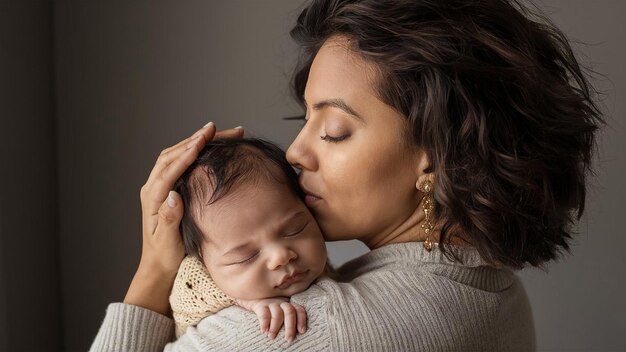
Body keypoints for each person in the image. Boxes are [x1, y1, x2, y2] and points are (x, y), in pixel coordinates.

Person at [90, 0, 603, 350]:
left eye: (333, 130)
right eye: (304, 120)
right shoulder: (492, 285)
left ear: (433, 151)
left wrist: (154, 272)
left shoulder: (316, 327)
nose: (294, 152)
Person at [168, 138, 331, 341]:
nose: (280, 256)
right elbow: (182, 308)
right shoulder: (195, 274)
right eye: (246, 257)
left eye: (294, 230)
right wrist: (245, 302)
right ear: (204, 262)